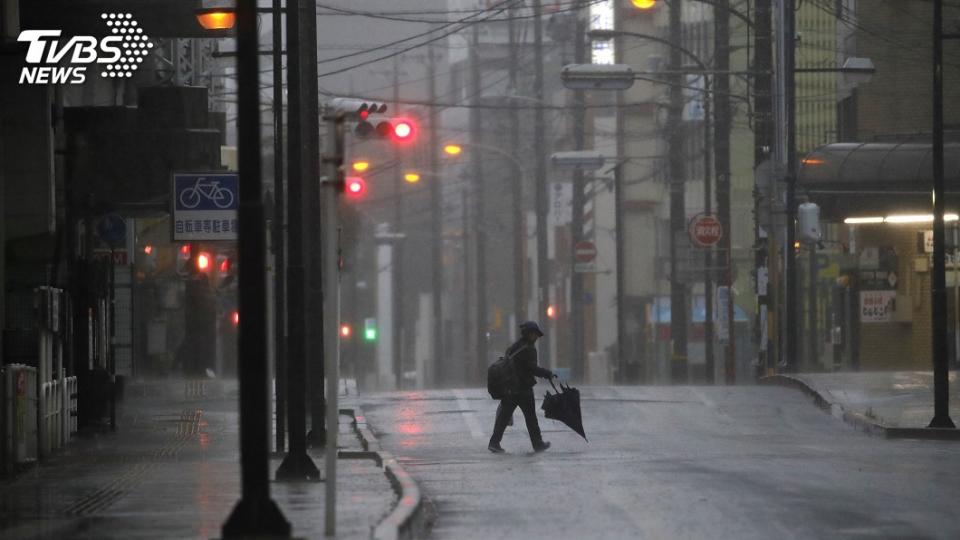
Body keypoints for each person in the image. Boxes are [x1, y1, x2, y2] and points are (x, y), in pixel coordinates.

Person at [488, 321, 556, 454]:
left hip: (510, 388)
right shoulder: (529, 349)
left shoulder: (515, 346)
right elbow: (532, 368)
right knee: (531, 418)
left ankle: (494, 442)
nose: (536, 337)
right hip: (523, 388)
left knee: (503, 417)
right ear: (529, 334)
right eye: (534, 334)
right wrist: (547, 373)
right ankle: (537, 444)